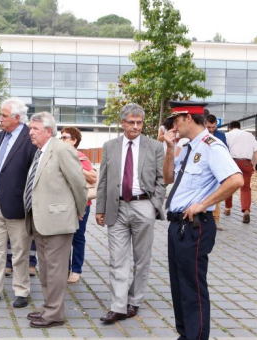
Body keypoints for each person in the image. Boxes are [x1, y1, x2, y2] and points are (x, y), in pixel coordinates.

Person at [163, 101, 243, 340]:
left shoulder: (212, 146)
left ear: (189, 118)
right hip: (177, 225)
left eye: (176, 120)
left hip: (195, 225)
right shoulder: (186, 147)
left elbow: (236, 180)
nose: (174, 125)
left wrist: (203, 203)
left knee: (192, 287)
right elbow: (168, 178)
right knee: (179, 285)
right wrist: (169, 149)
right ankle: (186, 333)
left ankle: (196, 336)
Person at [95, 103, 166, 324]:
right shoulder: (110, 146)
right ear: (122, 122)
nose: (136, 127)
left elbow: (161, 180)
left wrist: (154, 205)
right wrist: (100, 208)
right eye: (131, 122)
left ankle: (134, 301)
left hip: (143, 205)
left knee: (141, 259)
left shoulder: (154, 147)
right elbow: (103, 179)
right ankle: (118, 306)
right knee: (117, 259)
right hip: (116, 208)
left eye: (139, 123)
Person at [24, 112, 87, 328]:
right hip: (40, 220)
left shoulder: (62, 150)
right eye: (30, 128)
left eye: (35, 129)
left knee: (56, 271)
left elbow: (79, 183)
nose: (30, 132)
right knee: (46, 269)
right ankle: (48, 307)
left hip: (57, 221)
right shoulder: (40, 151)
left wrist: (80, 210)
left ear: (48, 131)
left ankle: (55, 314)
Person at [0, 97, 37, 308]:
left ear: (17, 118)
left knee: (20, 251)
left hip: (18, 205)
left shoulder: (30, 138)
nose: (0, 119)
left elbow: (34, 174)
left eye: (4, 115)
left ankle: (21, 291)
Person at [59, 126, 97, 284]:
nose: (62, 140)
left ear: (74, 140)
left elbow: (93, 178)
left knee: (78, 237)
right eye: (60, 137)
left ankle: (76, 269)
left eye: (65, 137)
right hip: (63, 203)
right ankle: (64, 268)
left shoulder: (81, 157)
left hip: (81, 203)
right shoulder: (58, 155)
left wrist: (75, 168)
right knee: (63, 237)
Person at [224, 120, 257, 223]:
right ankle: (246, 211)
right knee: (246, 188)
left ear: (230, 128)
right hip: (246, 163)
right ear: (239, 127)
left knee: (229, 185)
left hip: (232, 162)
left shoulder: (227, 135)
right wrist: (254, 164)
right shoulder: (249, 135)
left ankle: (227, 208)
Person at [205, 112, 228, 230]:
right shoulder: (201, 135)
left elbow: (226, 151)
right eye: (209, 127)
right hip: (204, 169)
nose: (211, 129)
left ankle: (215, 220)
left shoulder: (221, 136)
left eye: (213, 127)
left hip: (217, 169)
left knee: (217, 193)